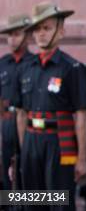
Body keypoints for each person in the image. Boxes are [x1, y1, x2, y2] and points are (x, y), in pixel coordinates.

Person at [12, 2, 86, 211]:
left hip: (59, 143)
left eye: (46, 28)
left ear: (61, 31)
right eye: (37, 29)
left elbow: (81, 116)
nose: (41, 34)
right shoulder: (25, 68)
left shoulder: (73, 68)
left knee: (59, 203)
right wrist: (24, 150)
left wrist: (82, 158)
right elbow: (20, 113)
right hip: (31, 142)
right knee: (32, 202)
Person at [0, 14, 33, 197]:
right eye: (10, 35)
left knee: (28, 177)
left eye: (17, 34)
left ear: (28, 36)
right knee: (7, 178)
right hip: (7, 124)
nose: (13, 39)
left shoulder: (35, 63)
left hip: (29, 126)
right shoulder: (2, 64)